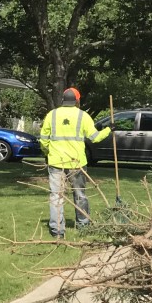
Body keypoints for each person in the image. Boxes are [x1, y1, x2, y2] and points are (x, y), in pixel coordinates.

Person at [39, 86, 110, 237]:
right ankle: (83, 226)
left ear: (63, 100)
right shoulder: (83, 116)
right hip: (77, 163)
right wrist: (109, 130)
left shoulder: (52, 115)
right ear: (77, 100)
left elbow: (43, 140)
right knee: (80, 195)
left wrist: (47, 153)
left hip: (56, 162)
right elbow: (95, 137)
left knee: (56, 196)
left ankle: (57, 231)